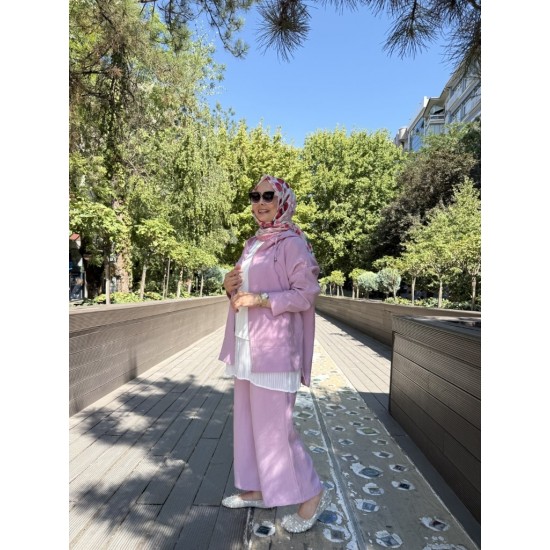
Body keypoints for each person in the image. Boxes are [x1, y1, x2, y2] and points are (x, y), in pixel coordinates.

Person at [218, 174, 331, 533]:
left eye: (268, 196)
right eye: (255, 196)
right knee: (248, 423)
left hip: (275, 349)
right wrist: (229, 287)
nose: (260, 202)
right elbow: (242, 292)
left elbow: (305, 293)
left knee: (276, 429)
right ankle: (258, 488)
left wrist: (260, 299)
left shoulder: (292, 243)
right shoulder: (254, 243)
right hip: (247, 345)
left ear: (283, 201)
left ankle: (312, 494)